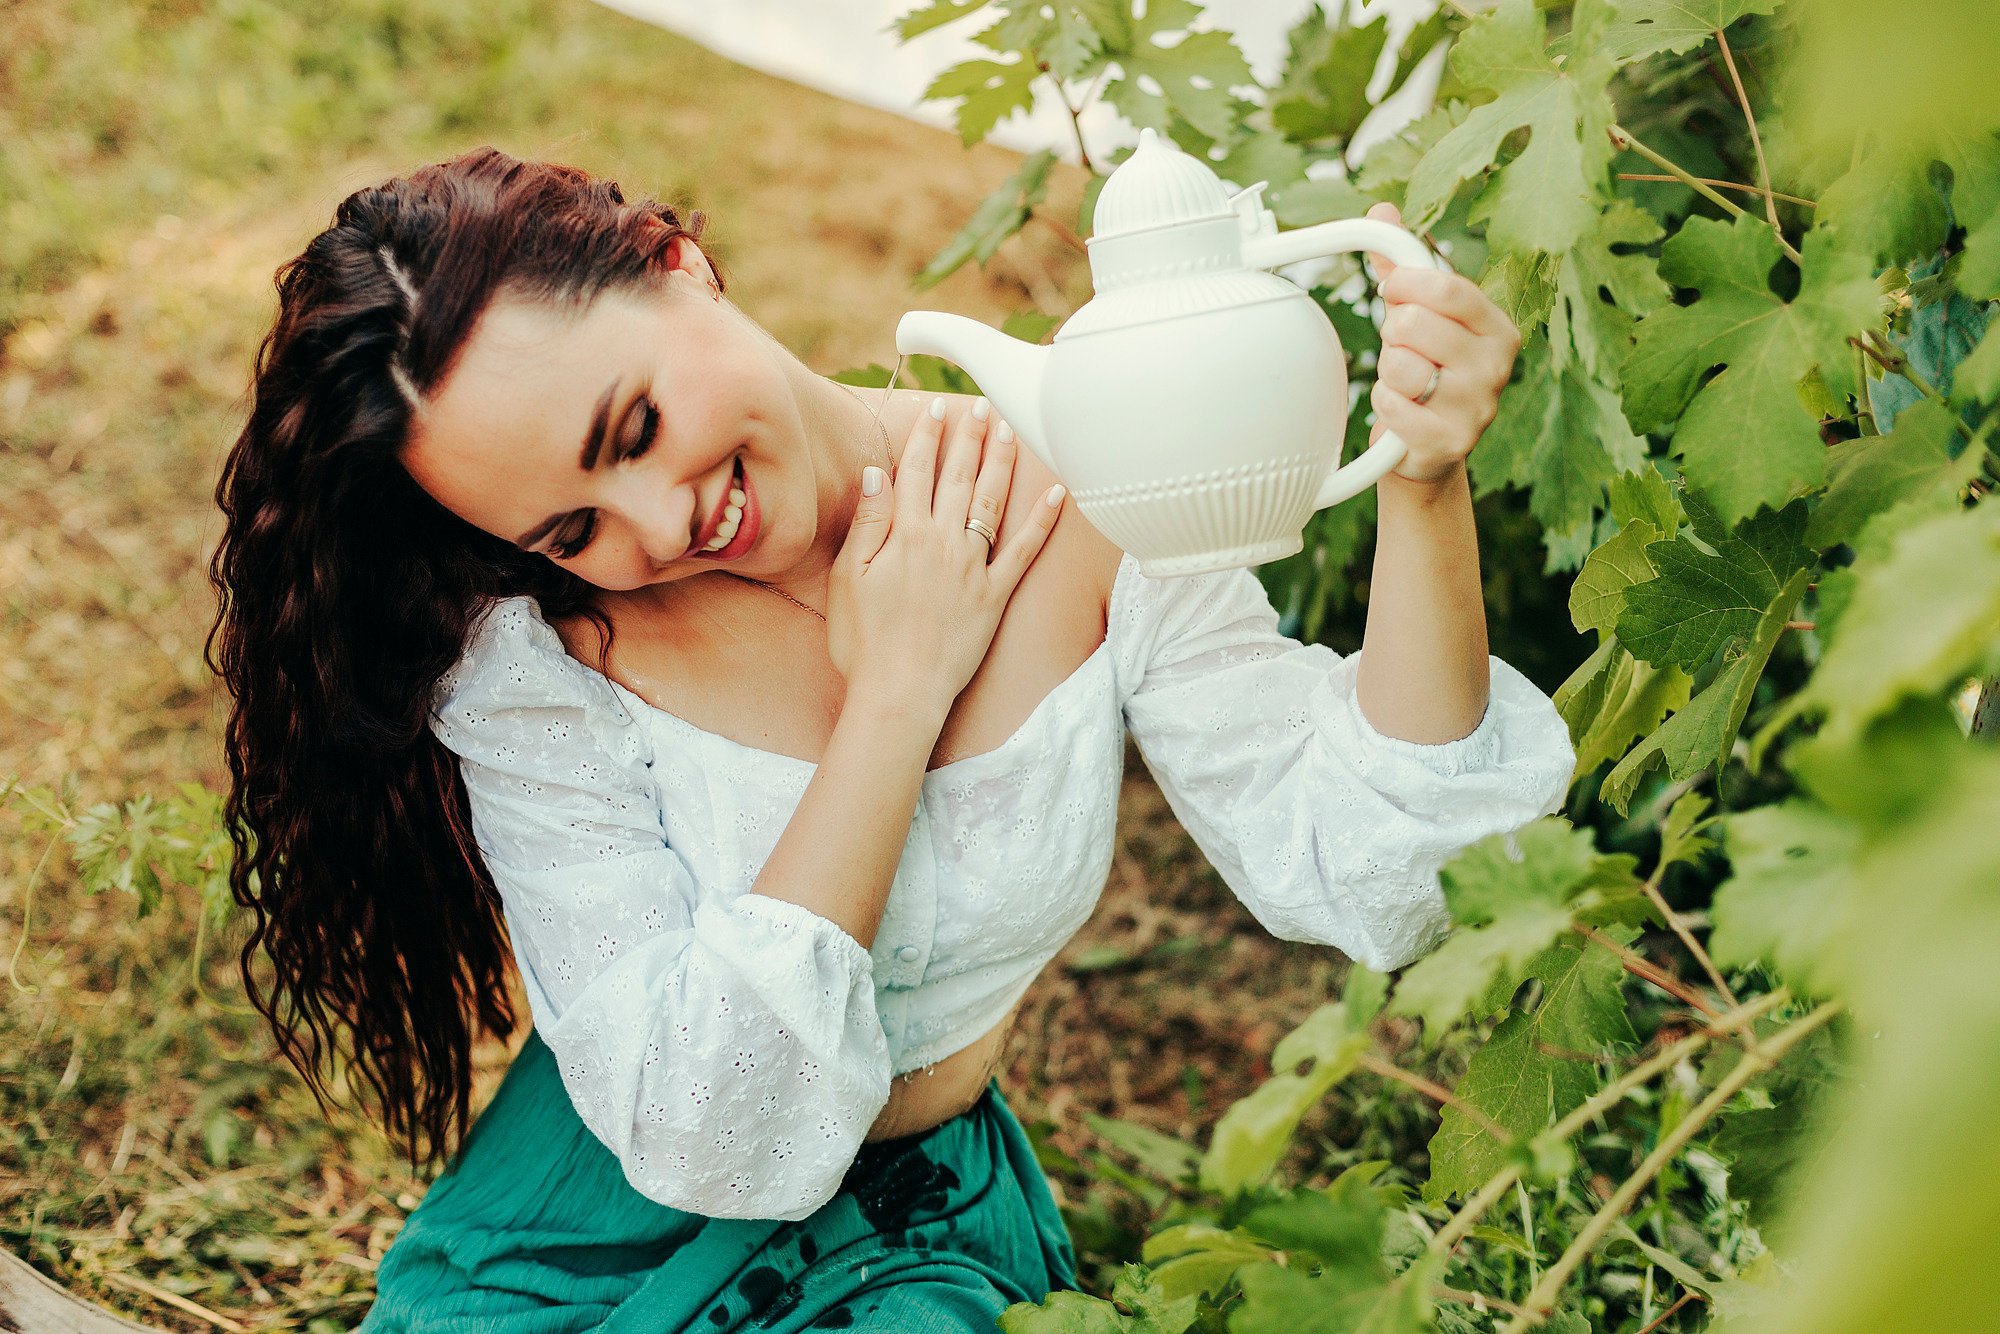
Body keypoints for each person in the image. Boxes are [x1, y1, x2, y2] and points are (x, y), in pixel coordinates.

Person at [208, 147, 1572, 1333]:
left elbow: (1366, 858)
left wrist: (1421, 479)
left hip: (919, 1227)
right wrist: (897, 697)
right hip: (586, 1237)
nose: (662, 524)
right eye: (573, 528)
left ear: (681, 268)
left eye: (636, 427)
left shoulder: (1088, 489)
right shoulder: (543, 662)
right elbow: (701, 1128)